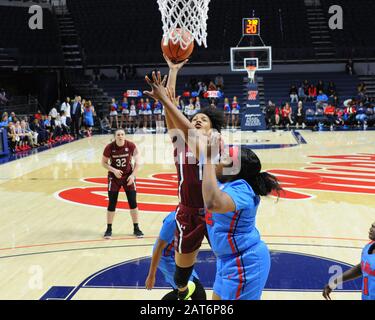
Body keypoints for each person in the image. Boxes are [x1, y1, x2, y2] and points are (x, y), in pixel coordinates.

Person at [143, 57, 224, 300]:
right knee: (180, 277)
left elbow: (175, 111)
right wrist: (173, 70)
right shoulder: (181, 142)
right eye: (195, 117)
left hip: (213, 211)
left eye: (204, 119)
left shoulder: (214, 141)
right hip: (187, 212)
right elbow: (172, 112)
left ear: (212, 127)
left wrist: (167, 100)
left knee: (227, 264)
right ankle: (185, 290)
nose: (198, 119)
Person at [201, 134, 282, 300]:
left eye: (223, 157)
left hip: (245, 261)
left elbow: (212, 203)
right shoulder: (219, 179)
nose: (218, 159)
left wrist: (209, 158)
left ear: (233, 169)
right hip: (226, 260)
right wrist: (168, 107)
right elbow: (187, 139)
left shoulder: (243, 189)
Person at [145, 211, 206, 300]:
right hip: (167, 258)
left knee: (184, 291)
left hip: (180, 255)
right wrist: (151, 276)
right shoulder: (173, 221)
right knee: (197, 293)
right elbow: (158, 248)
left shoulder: (200, 216)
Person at [101, 129, 144, 239]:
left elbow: (138, 162)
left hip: (128, 177)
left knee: (133, 202)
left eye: (122, 134)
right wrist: (114, 170)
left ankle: (136, 228)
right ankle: (109, 228)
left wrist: (133, 175)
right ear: (115, 136)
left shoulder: (130, 145)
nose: (120, 136)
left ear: (125, 136)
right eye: (118, 134)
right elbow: (103, 163)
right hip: (114, 178)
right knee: (112, 203)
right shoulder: (109, 147)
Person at [323, 221, 375, 300]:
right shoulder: (368, 246)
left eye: (374, 227)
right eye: (372, 226)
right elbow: (361, 268)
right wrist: (334, 282)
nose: (371, 229)